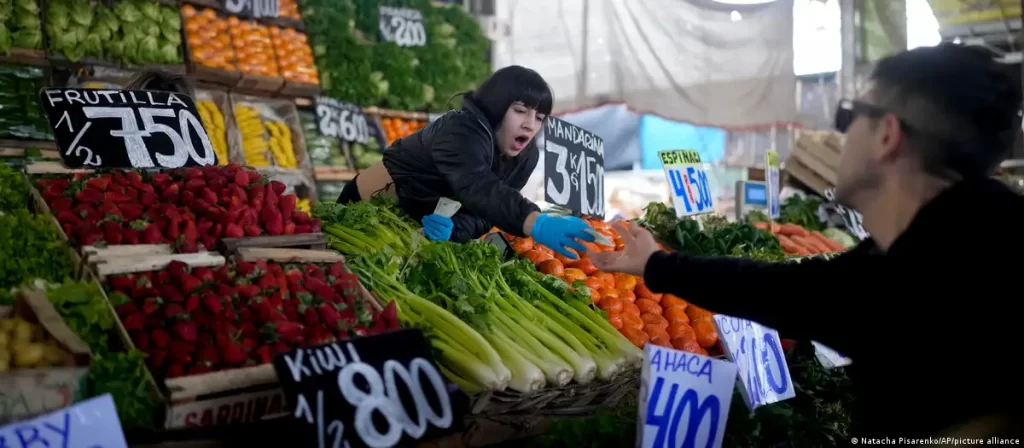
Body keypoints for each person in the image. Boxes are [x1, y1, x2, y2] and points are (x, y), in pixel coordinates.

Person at [591, 43, 1024, 438]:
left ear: (887, 135)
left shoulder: (949, 266)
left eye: (848, 117)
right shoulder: (937, 247)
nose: (839, 137)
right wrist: (658, 265)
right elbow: (792, 291)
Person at [337, 65, 594, 256]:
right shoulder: (459, 130)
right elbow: (477, 184)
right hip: (367, 211)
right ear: (496, 107)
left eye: (539, 117)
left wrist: (455, 228)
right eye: (520, 111)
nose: (530, 125)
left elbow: (484, 215)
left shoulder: (526, 157)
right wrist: (536, 222)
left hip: (417, 231)